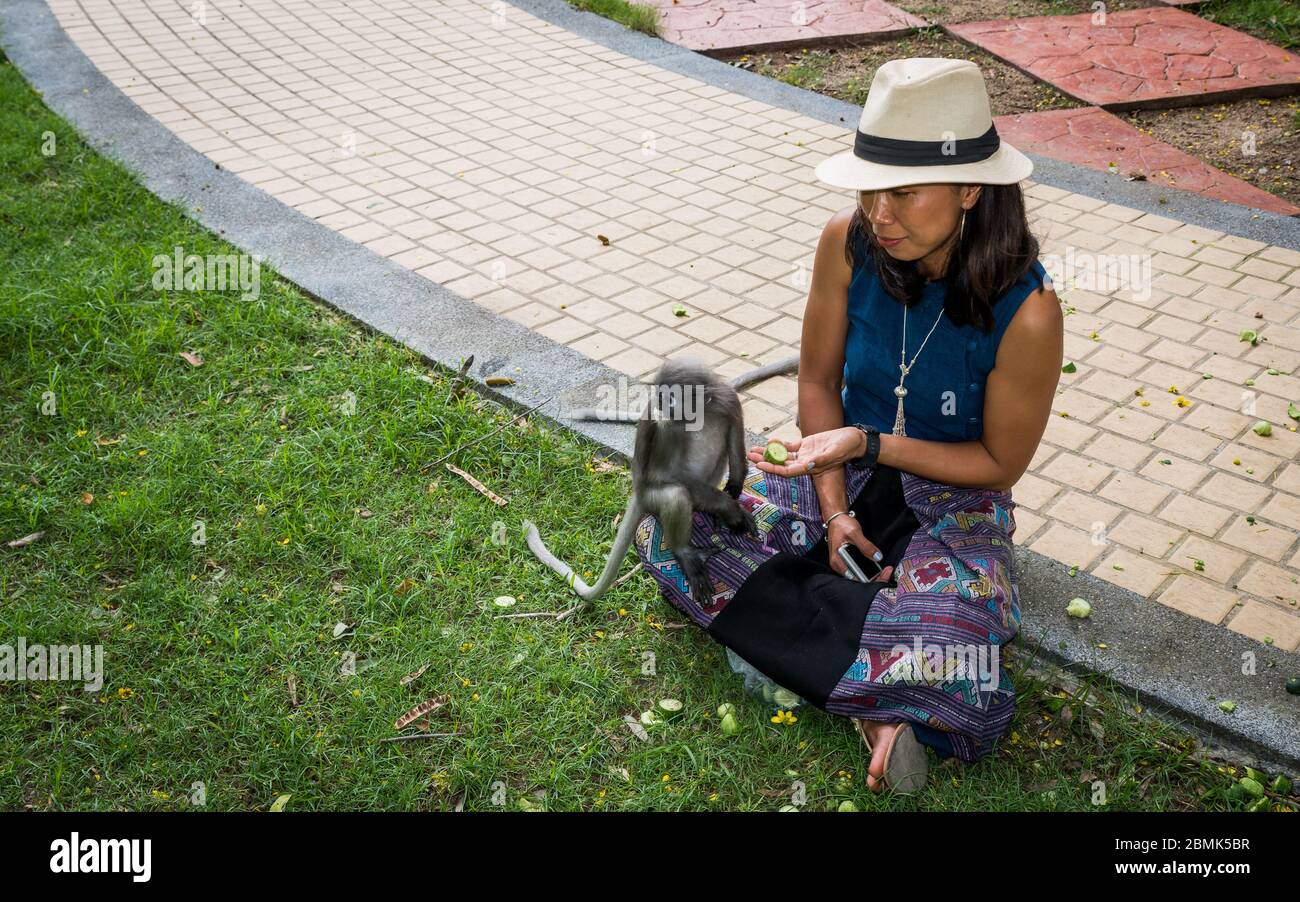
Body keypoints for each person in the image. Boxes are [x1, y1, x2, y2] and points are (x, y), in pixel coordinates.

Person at [634, 58, 1063, 795]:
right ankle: (878, 688)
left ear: (970, 189)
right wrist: (834, 514)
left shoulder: (1029, 312)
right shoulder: (846, 242)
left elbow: (998, 462)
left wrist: (871, 442)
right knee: (676, 534)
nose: (879, 213)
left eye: (902, 191)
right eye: (870, 188)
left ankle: (828, 637)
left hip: (953, 497)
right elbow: (815, 382)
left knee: (967, 659)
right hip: (837, 471)